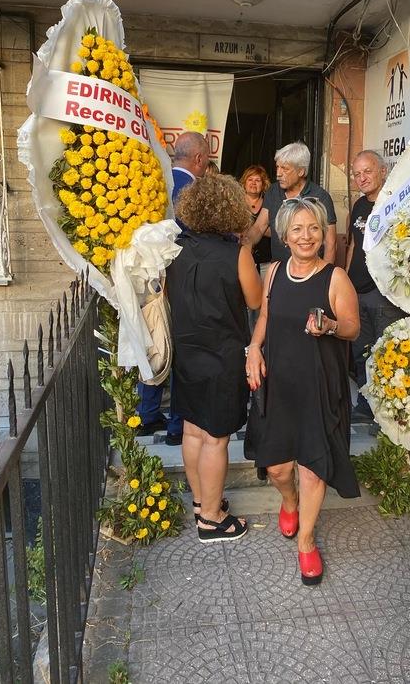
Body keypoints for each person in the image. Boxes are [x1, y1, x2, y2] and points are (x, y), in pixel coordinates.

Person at [246, 197, 360, 585]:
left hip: (318, 387)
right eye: (297, 229)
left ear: (322, 233)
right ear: (285, 236)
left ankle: (306, 540)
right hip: (279, 385)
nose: (306, 236)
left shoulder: (335, 278)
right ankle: (289, 501)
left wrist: (330, 326)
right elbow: (265, 315)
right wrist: (254, 348)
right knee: (278, 468)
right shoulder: (275, 272)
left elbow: (352, 328)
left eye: (313, 228)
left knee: (312, 468)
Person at [168, 175, 262, 542]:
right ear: (231, 209)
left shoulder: (175, 248)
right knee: (216, 438)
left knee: (193, 430)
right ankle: (211, 519)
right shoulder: (236, 254)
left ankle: (201, 502)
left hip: (187, 351)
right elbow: (254, 300)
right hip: (222, 355)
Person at [136, 131, 210, 445]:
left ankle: (147, 414)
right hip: (185, 284)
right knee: (182, 352)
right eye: (207, 159)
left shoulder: (154, 182)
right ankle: (178, 426)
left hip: (151, 281)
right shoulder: (195, 191)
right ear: (199, 158)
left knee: (155, 343)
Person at [346, 150, 405, 422]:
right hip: (356, 291)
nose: (362, 178)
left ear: (383, 171)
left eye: (367, 171)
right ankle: (365, 404)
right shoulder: (359, 206)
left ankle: (387, 412)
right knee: (362, 352)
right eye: (357, 174)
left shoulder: (395, 204)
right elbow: (353, 246)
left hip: (382, 293)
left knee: (385, 351)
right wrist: (346, 280)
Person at [244, 142, 337, 264]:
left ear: (301, 171)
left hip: (311, 269)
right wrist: (246, 245)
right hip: (279, 268)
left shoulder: (321, 197)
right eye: (278, 167)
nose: (278, 174)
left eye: (285, 169)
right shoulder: (273, 191)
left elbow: (330, 243)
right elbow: (259, 227)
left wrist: (326, 274)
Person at [240, 164, 272, 275]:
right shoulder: (236, 203)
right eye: (250, 179)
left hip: (266, 261)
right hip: (242, 259)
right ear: (244, 183)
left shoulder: (269, 204)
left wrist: (257, 229)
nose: (253, 183)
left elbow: (276, 231)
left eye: (257, 180)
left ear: (263, 185)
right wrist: (263, 226)